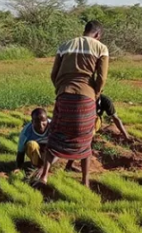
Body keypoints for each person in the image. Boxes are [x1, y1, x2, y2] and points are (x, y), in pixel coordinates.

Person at [34, 20, 110, 188]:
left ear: (86, 31)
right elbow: (102, 77)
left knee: (55, 135)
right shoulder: (101, 48)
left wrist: (61, 89)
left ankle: (44, 176)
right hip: (86, 98)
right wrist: (95, 94)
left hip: (64, 95)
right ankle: (85, 181)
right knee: (85, 138)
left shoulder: (65, 46)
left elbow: (54, 74)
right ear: (98, 35)